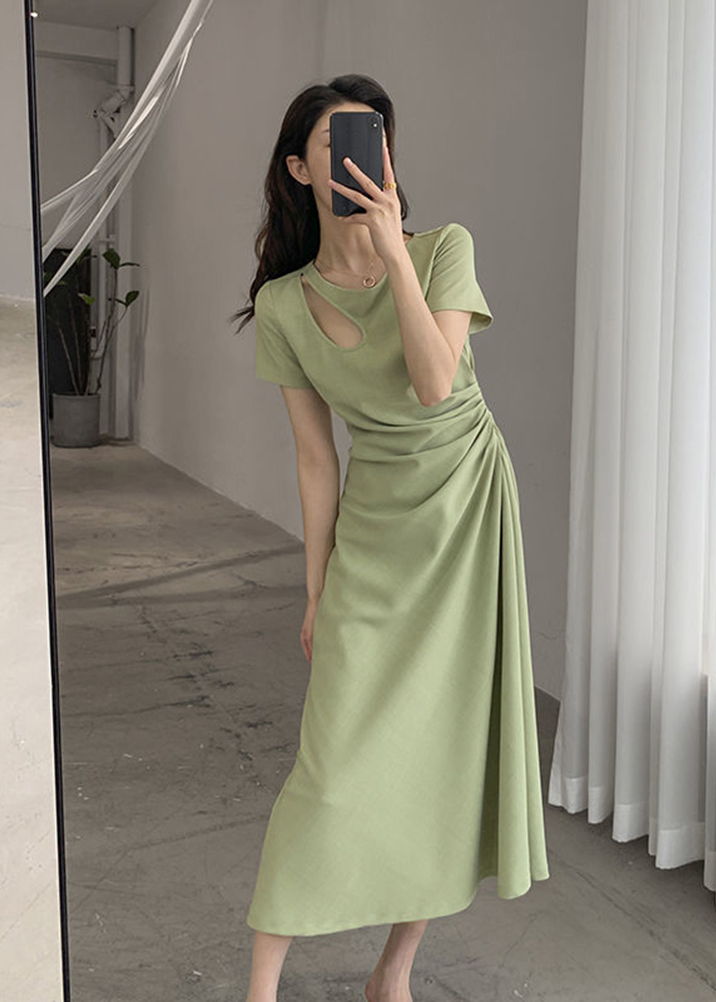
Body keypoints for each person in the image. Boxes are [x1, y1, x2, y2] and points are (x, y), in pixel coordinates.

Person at [229, 73, 549, 1002]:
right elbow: (315, 460)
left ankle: (393, 976)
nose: (363, 161)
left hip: (466, 510)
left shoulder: (445, 249)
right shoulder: (284, 306)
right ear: (300, 169)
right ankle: (260, 990)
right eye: (339, 144)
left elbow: (435, 382)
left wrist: (393, 250)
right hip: (377, 525)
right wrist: (317, 589)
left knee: (443, 755)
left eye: (375, 141)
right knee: (330, 766)